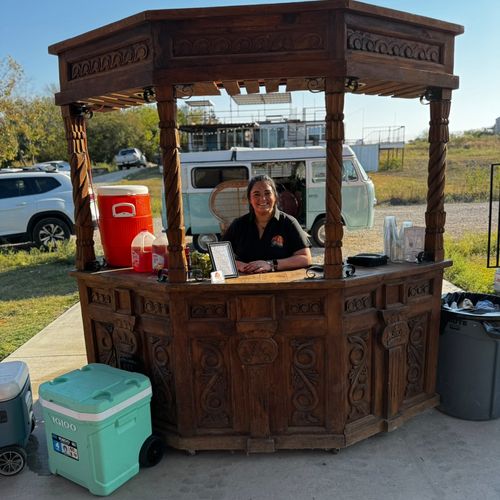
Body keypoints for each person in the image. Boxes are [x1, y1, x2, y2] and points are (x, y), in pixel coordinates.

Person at [222, 175, 312, 274]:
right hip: (245, 285)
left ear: (275, 197)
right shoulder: (239, 225)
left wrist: (271, 264)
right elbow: (220, 256)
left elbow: (306, 258)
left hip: (280, 285)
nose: (263, 199)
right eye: (256, 194)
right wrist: (240, 265)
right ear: (249, 199)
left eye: (267, 193)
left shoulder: (288, 223)